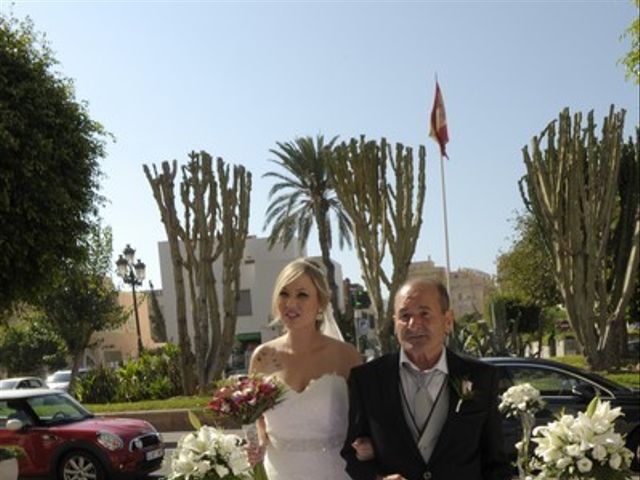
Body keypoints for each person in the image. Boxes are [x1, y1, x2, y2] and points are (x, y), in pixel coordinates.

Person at [342, 278, 511, 480]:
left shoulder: (481, 377)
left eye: (424, 313)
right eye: (405, 316)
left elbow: (495, 462)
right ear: (395, 323)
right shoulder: (367, 380)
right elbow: (352, 454)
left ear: (447, 320)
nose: (414, 324)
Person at [249, 257, 362, 480]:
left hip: (335, 472)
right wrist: (259, 441)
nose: (291, 303)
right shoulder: (262, 357)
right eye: (284, 294)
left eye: (302, 294)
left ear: (320, 302)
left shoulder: (346, 356)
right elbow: (257, 417)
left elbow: (367, 420)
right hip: (279, 471)